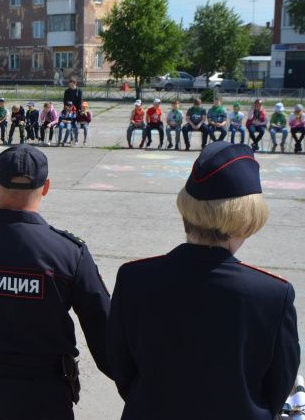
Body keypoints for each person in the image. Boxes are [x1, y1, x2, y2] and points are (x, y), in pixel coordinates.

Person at [106, 141, 299, 419]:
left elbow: (122, 368)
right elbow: (279, 385)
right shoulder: (273, 293)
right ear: (245, 220)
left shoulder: (134, 278)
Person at [0, 145, 112, 419]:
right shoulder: (67, 252)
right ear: (47, 186)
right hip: (44, 390)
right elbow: (102, 326)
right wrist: (131, 380)